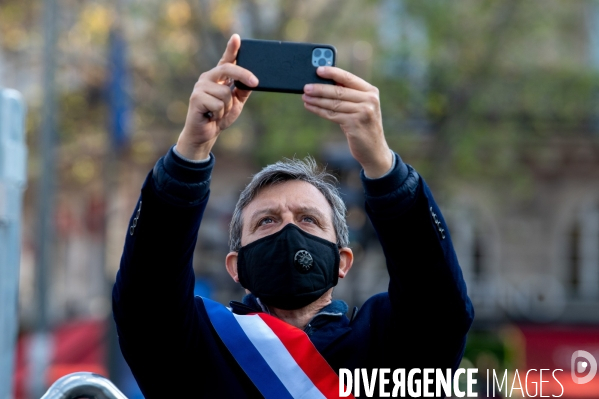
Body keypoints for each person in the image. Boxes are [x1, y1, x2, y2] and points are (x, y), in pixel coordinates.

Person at [112, 34, 474, 398]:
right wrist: (191, 149)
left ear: (343, 260)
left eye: (308, 219)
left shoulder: (386, 348)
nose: (288, 228)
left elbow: (439, 312)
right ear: (235, 265)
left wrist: (382, 163)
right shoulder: (198, 345)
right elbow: (145, 300)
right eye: (266, 221)